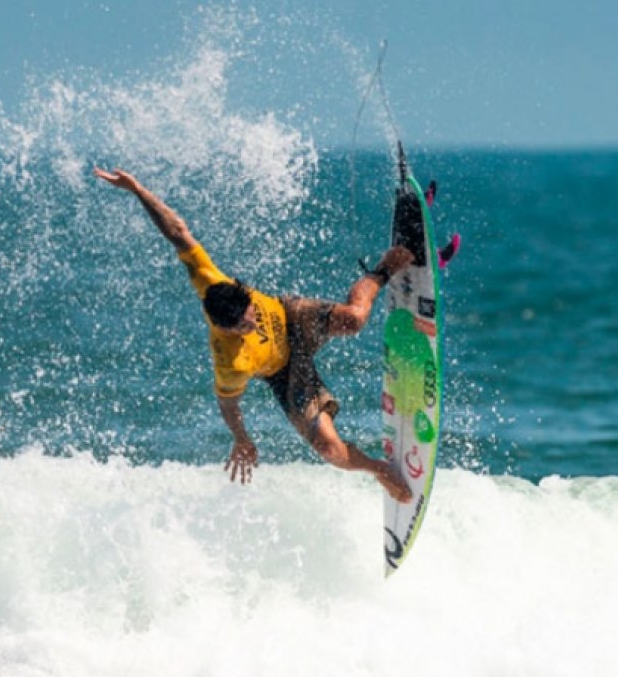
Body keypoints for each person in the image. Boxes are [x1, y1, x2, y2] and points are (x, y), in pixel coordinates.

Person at [94, 167, 413, 502]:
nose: (253, 321)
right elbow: (228, 405)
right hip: (285, 373)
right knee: (329, 449)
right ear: (225, 328)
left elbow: (176, 231)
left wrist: (136, 189)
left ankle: (387, 266)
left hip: (291, 316)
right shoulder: (230, 361)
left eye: (250, 309)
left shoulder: (210, 279)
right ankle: (380, 469)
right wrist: (242, 439)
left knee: (354, 318)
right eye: (246, 324)